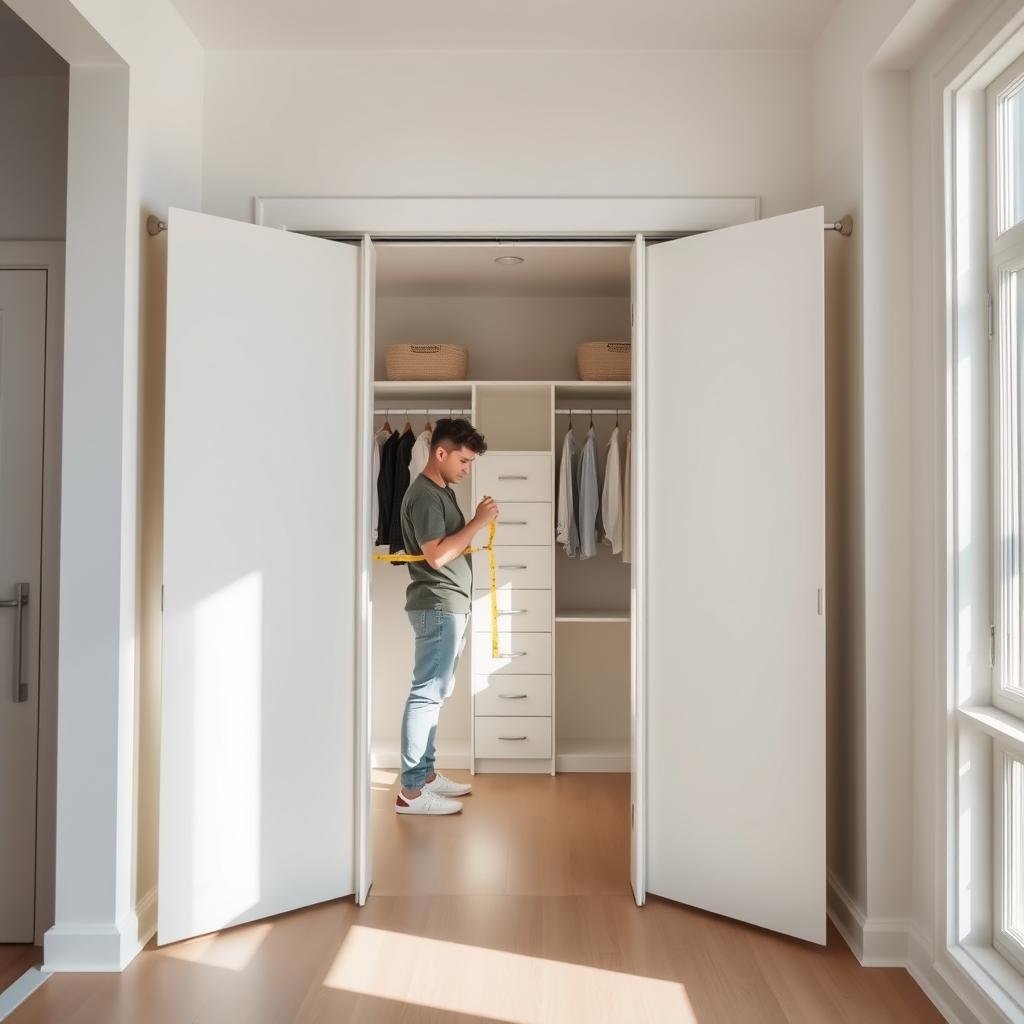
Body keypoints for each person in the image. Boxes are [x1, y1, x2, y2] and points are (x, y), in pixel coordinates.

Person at [395, 418, 498, 815]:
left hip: (449, 606)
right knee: (426, 694)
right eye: (464, 461)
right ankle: (411, 793)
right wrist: (477, 522)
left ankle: (426, 776)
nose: (466, 469)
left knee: (434, 695)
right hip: (437, 606)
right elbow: (436, 555)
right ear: (441, 452)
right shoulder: (424, 495)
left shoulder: (440, 492)